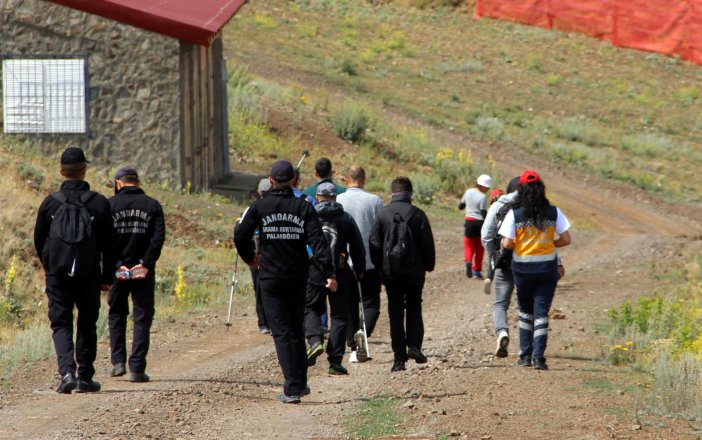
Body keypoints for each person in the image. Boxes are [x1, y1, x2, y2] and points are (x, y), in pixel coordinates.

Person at [234, 160, 337, 404]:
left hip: (270, 277)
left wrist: (250, 258)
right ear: (293, 181)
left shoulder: (259, 206)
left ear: (270, 181)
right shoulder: (304, 207)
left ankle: (292, 389)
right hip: (297, 276)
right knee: (295, 329)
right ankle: (300, 383)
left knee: (282, 333)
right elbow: (319, 241)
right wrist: (329, 272)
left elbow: (240, 234)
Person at [33, 147, 116, 394]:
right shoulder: (99, 203)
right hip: (89, 274)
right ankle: (85, 377)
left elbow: (39, 240)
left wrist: (50, 266)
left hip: (57, 274)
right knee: (87, 323)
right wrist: (107, 277)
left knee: (61, 324)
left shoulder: (50, 204)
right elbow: (110, 245)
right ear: (84, 171)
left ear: (61, 172)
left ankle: (66, 372)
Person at [499, 170, 571, 370]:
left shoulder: (515, 214)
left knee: (524, 312)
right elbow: (566, 239)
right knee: (541, 313)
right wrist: (548, 243)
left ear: (521, 190)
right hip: (547, 269)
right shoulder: (554, 212)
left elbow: (507, 243)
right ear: (541, 189)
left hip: (522, 269)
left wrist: (523, 245)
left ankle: (525, 356)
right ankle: (539, 358)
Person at [369, 176, 435, 372]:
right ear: (410, 194)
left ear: (392, 193)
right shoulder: (418, 214)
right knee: (414, 306)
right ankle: (414, 346)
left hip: (391, 274)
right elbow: (427, 245)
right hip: (415, 273)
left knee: (395, 312)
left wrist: (380, 268)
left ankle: (399, 359)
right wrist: (429, 266)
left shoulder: (383, 215)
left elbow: (374, 244)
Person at [108, 167, 166, 383]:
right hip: (144, 272)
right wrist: (145, 263)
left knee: (116, 314)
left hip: (117, 272)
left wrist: (116, 265)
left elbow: (105, 239)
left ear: (119, 183)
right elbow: (157, 238)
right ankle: (137, 369)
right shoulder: (152, 205)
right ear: (138, 182)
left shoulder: (110, 205)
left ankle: (118, 363)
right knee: (142, 317)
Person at [304, 183, 365, 375]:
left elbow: (301, 243)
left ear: (318, 197)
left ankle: (314, 341)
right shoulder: (345, 218)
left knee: (312, 307)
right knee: (339, 315)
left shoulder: (310, 216)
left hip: (314, 271)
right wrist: (360, 269)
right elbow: (357, 246)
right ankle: (335, 361)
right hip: (340, 274)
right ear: (335, 197)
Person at [336, 165, 384, 363]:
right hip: (369, 261)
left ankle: (354, 348)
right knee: (371, 303)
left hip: (344, 262)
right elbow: (381, 230)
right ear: (363, 180)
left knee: (349, 306)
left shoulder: (338, 200)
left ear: (347, 180)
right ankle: (364, 334)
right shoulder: (374, 201)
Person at [481, 177, 520, 358]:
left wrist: (493, 257)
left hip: (504, 261)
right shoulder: (535, 205)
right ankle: (529, 345)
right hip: (528, 260)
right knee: (527, 303)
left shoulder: (499, 205)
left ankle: (502, 332)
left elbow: (486, 235)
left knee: (500, 303)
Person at [459, 174, 491, 279]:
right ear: (482, 186)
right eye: (487, 187)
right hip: (480, 223)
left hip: (469, 222)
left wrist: (468, 205)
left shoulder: (468, 192)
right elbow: (483, 213)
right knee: (479, 248)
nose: (488, 189)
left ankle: (468, 261)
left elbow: (461, 206)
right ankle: (476, 270)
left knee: (469, 245)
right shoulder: (483, 197)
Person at [482, 187, 505, 294]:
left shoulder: (492, 207)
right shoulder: (508, 206)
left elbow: (488, 228)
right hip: (506, 237)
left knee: (493, 257)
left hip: (494, 238)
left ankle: (489, 277)